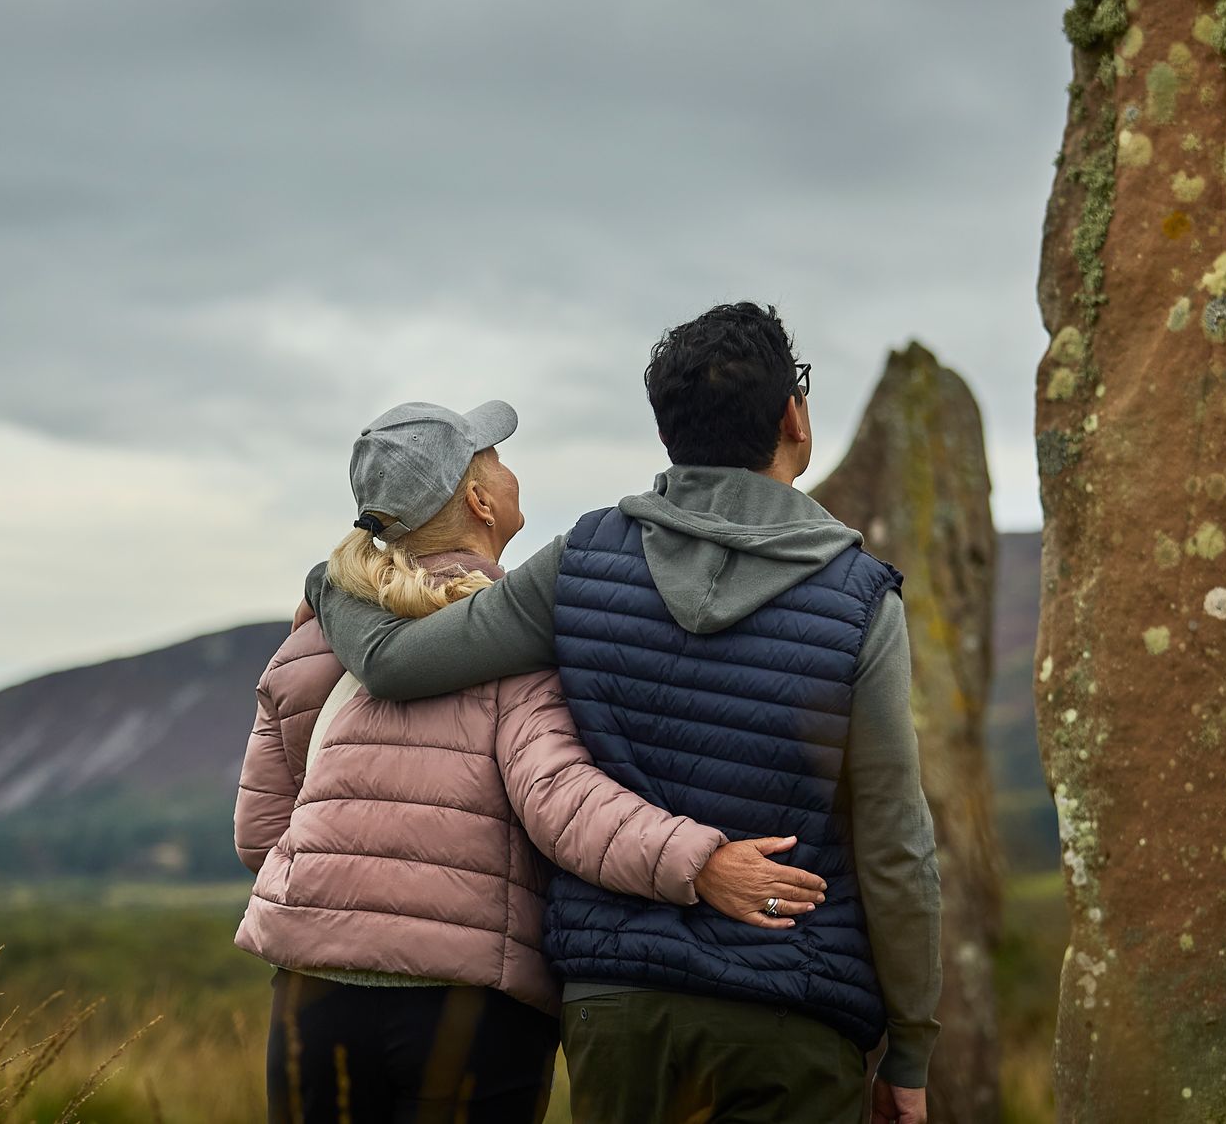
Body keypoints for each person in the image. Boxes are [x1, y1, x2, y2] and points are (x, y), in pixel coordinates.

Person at [305, 304, 942, 1124]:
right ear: (794, 415)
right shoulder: (858, 600)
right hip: (794, 1008)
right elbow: (896, 846)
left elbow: (396, 662)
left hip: (617, 1012)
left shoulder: (584, 561)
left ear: (669, 428)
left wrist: (330, 582)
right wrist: (911, 1047)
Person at [234, 398, 830, 1124]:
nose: (510, 473)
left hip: (310, 994)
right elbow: (562, 803)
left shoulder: (309, 644)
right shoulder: (506, 640)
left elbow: (260, 835)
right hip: (462, 1005)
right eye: (496, 460)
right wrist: (701, 863)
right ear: (480, 501)